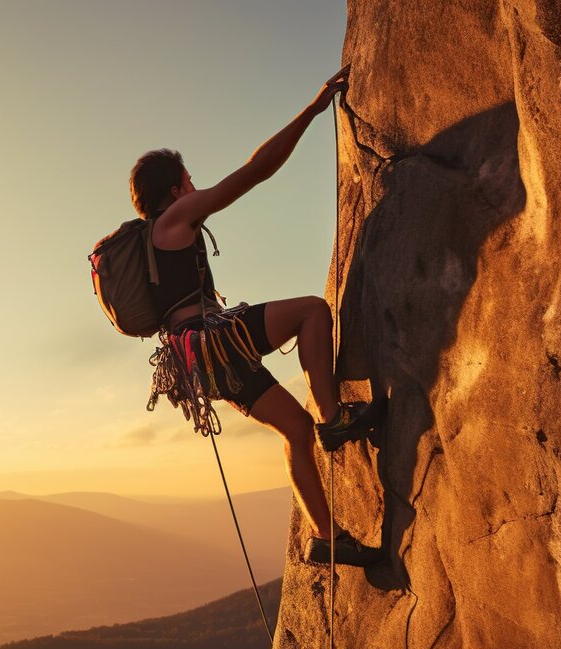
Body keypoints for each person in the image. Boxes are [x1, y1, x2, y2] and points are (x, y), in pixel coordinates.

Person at [132, 66, 385, 567]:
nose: (195, 186)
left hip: (196, 362)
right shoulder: (176, 218)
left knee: (295, 427)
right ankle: (334, 420)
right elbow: (254, 171)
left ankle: (325, 536)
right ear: (175, 191)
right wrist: (313, 111)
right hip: (213, 341)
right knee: (313, 312)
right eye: (189, 181)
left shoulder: (145, 245)